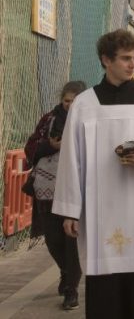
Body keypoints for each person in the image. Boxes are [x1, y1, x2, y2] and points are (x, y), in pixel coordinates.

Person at [52, 29, 134, 319]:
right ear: (105, 60)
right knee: (104, 298)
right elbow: (71, 160)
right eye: (125, 58)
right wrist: (70, 211)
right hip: (99, 215)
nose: (132, 65)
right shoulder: (85, 104)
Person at [24, 81, 86, 310]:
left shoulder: (87, 121)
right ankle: (65, 272)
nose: (70, 105)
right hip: (46, 190)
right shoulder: (48, 120)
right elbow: (30, 148)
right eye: (67, 100)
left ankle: (71, 290)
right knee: (53, 240)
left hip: (77, 191)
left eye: (75, 101)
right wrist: (51, 146)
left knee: (72, 242)